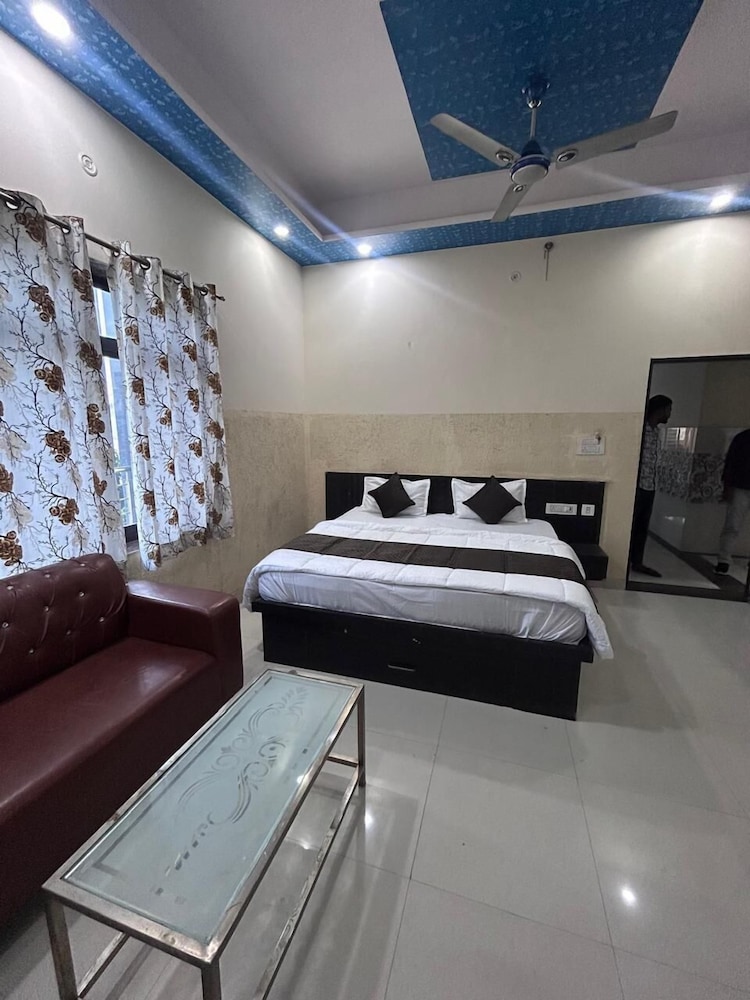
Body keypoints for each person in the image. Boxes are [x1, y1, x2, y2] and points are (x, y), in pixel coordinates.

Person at [630, 394, 673, 577]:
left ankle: (637, 562)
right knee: (632, 526)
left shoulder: (656, 432)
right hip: (637, 486)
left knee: (642, 527)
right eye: (668, 410)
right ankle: (628, 561)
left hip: (650, 486)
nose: (669, 414)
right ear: (660, 410)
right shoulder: (641, 430)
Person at [715, 428, 750, 574]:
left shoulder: (742, 437)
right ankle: (723, 559)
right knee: (732, 525)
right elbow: (730, 463)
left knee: (732, 525)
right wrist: (727, 487)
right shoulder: (743, 438)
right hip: (739, 486)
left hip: (739, 486)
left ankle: (724, 559)